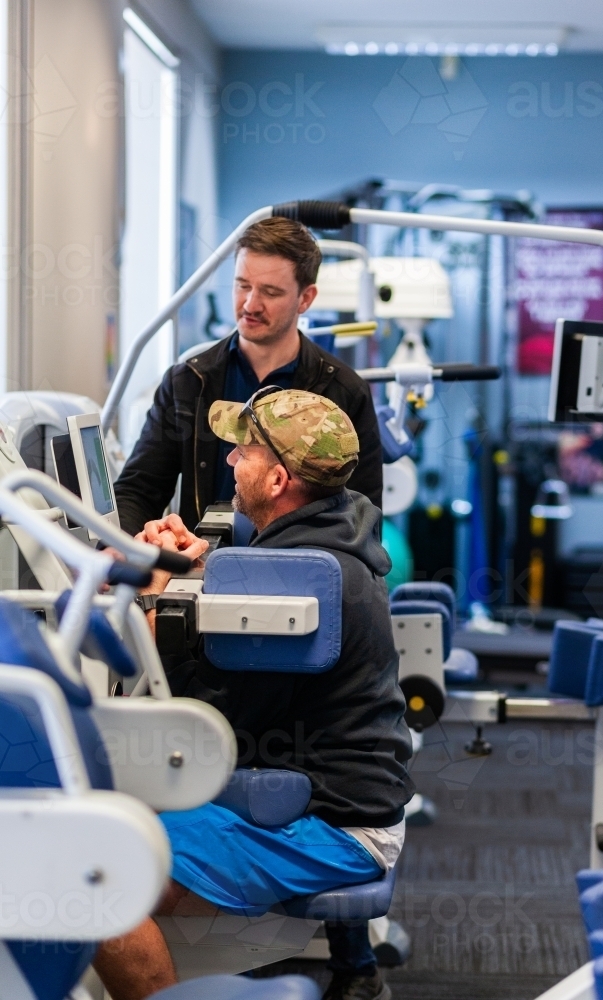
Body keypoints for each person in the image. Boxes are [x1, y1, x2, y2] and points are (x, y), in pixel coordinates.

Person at [95, 389, 413, 1000]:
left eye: (245, 451)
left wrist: (154, 598)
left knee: (103, 879)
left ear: (278, 478)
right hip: (339, 798)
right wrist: (193, 567)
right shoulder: (331, 539)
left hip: (335, 825)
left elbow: (209, 725)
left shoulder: (301, 575)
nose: (231, 460)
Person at [113, 216, 383, 543]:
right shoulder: (188, 383)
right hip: (203, 573)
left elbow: (364, 517)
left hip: (299, 577)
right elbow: (139, 490)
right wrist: (117, 546)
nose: (251, 304)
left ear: (306, 298)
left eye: (270, 292)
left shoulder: (343, 391)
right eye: (243, 285)